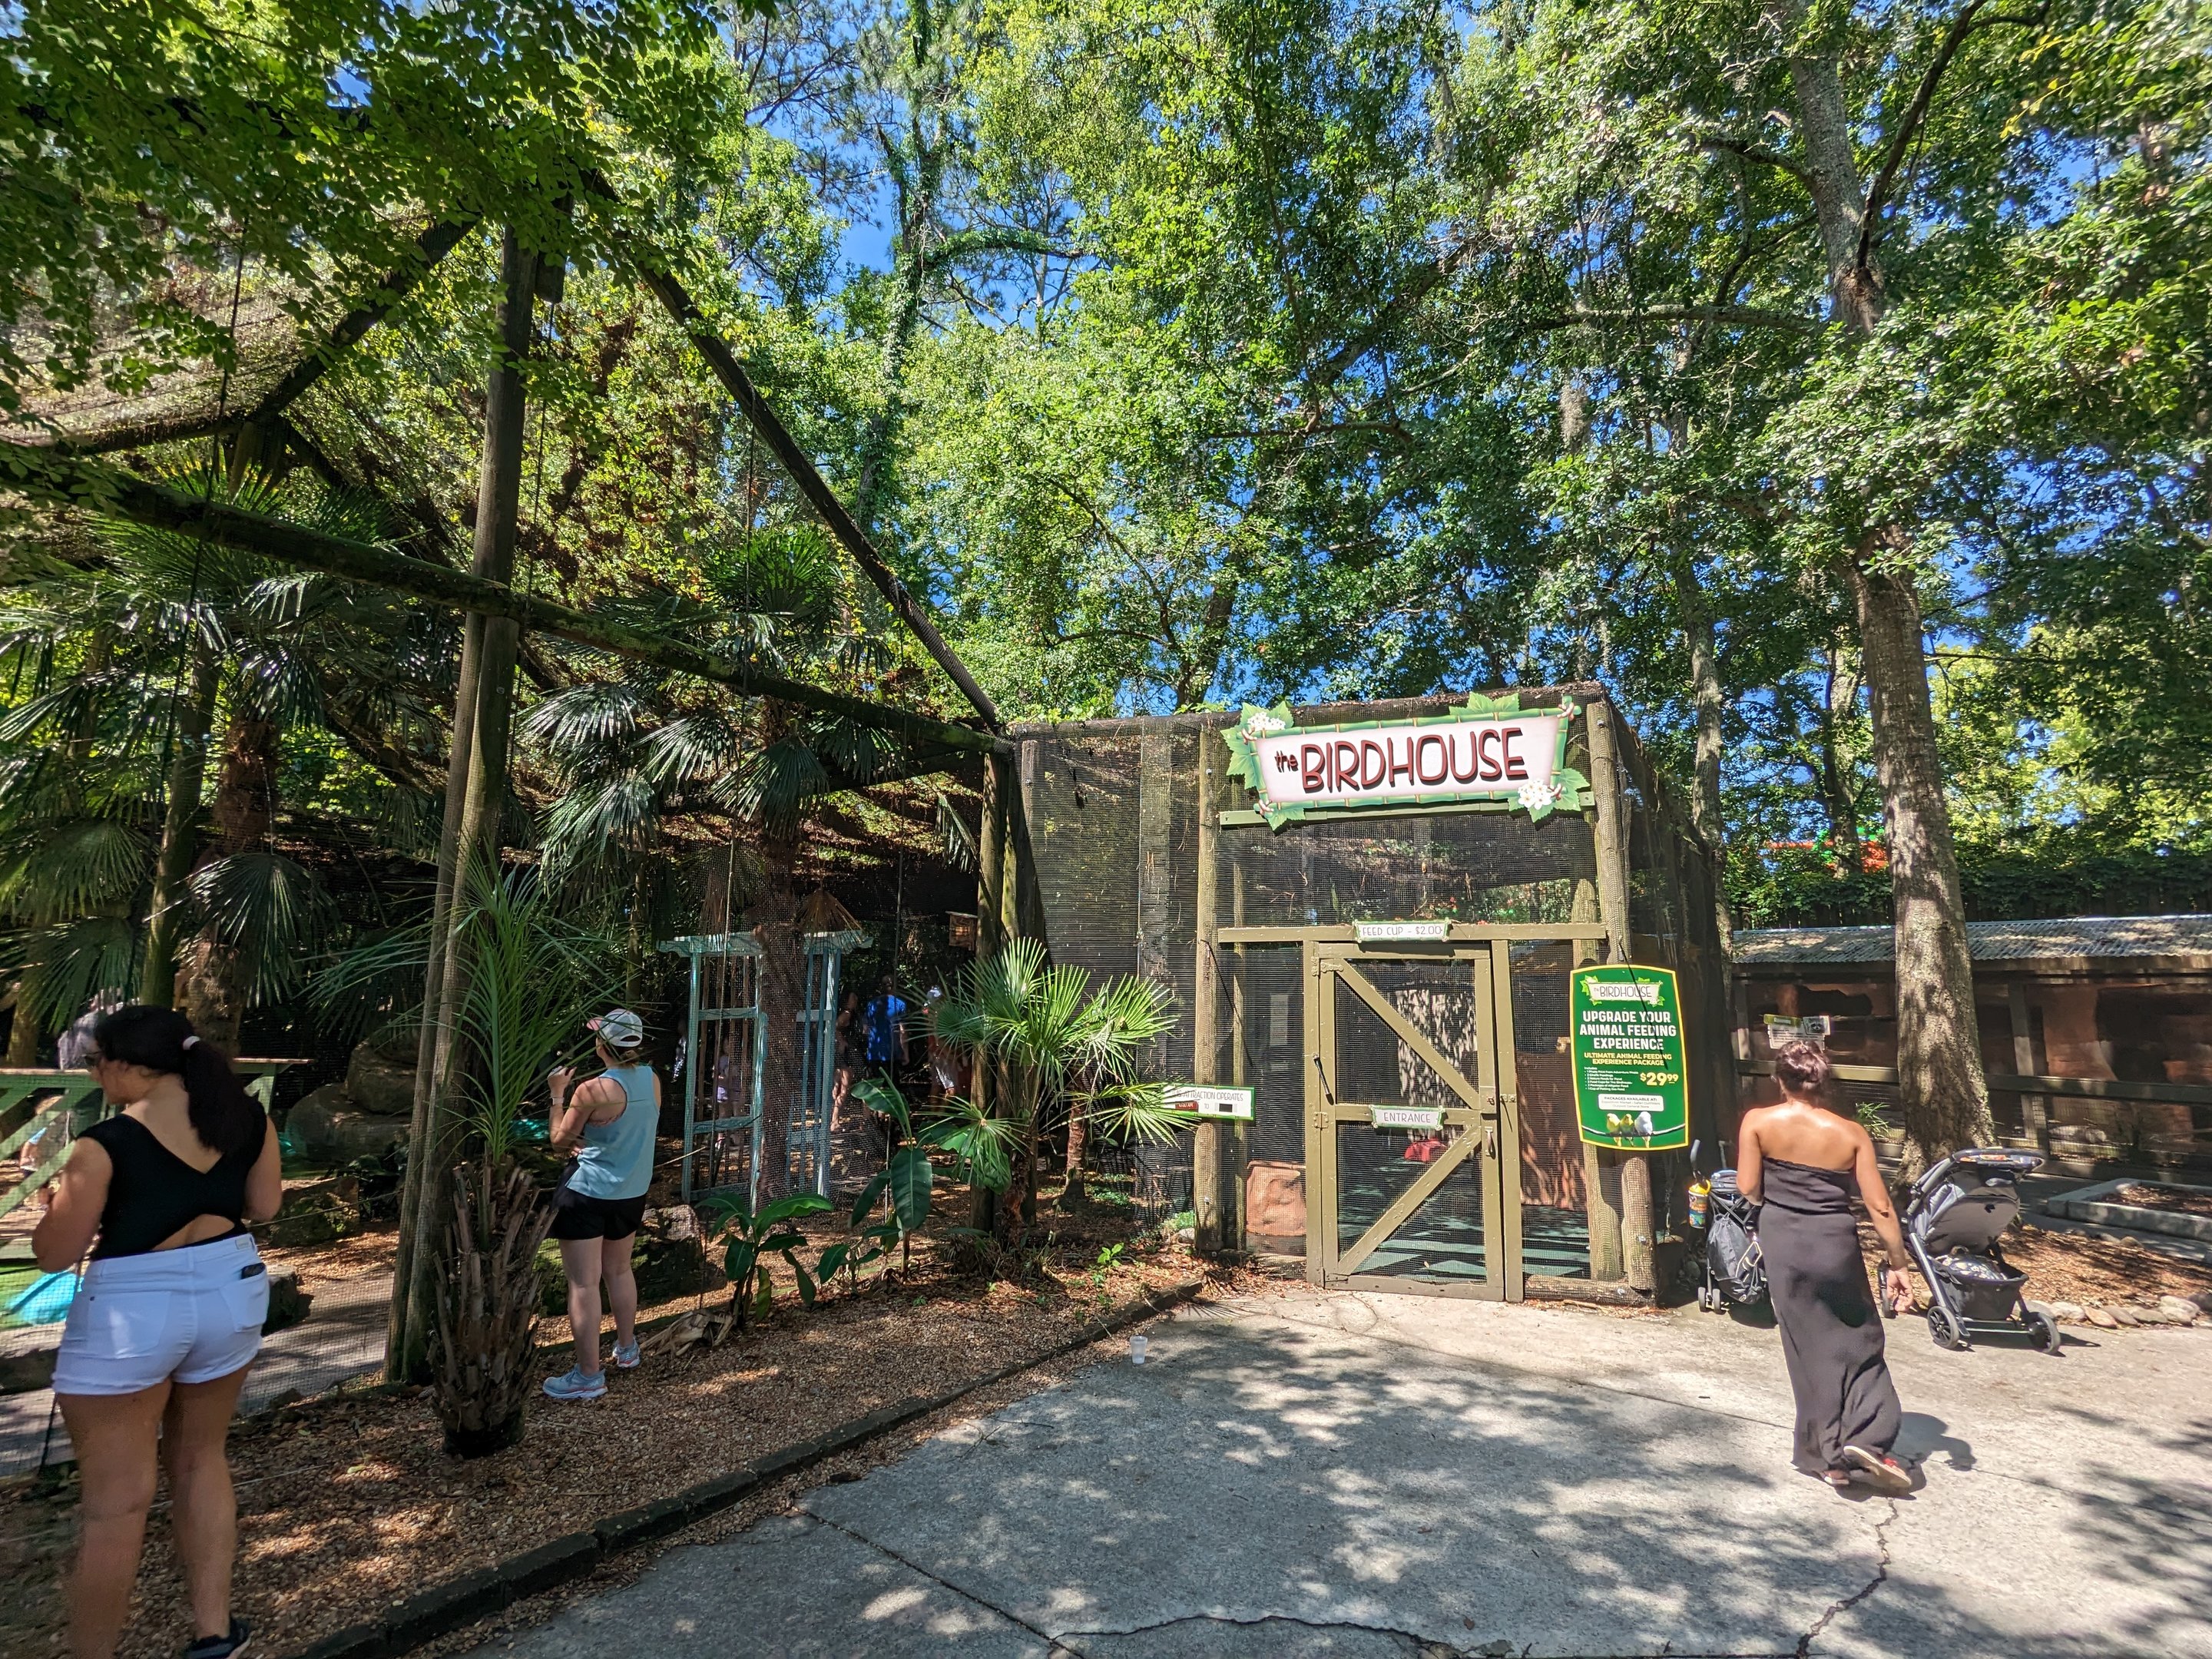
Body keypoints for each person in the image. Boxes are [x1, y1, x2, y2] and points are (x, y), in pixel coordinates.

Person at [32, 1005, 283, 1659]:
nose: (95, 1077)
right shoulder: (248, 1121)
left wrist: (50, 1208)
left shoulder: (103, 1145)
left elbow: (56, 1254)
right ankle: (213, 1632)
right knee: (202, 1458)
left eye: (94, 1063)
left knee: (116, 1503)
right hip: (231, 1287)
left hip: (134, 1305)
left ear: (123, 1062)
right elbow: (264, 1206)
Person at [1738, 1041, 1918, 1495]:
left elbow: (1748, 1188)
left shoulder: (1758, 1123)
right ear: (1823, 1082)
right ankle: (1868, 1438)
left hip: (1784, 1241)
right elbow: (1878, 1206)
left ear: (1779, 1079)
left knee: (1807, 1348)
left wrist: (1778, 1203)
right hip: (1834, 1243)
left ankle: (1828, 1456)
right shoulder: (1852, 1134)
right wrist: (1899, 1264)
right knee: (1860, 1337)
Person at [543, 1008, 659, 1402]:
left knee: (583, 1282)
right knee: (620, 1270)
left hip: (588, 1192)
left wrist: (557, 1093)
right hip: (631, 1192)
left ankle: (588, 1376)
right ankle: (627, 1350)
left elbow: (559, 1140)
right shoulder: (652, 1080)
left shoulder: (591, 1090)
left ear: (601, 1045)